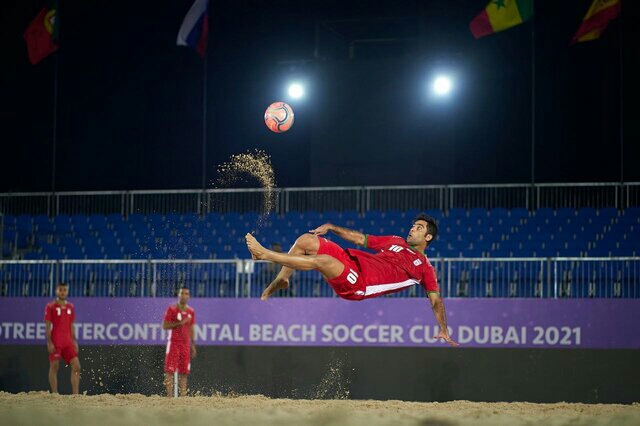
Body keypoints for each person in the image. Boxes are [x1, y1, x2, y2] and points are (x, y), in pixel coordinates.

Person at [245, 213, 458, 346]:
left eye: (419, 228)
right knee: (307, 240)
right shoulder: (396, 241)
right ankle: (282, 279)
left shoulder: (425, 268)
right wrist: (332, 227)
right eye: (413, 225)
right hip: (350, 261)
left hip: (359, 285)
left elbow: (435, 301)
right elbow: (359, 238)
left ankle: (265, 255)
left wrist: (443, 328)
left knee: (324, 261)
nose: (412, 228)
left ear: (428, 237)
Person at [44, 282, 81, 394]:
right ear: (56, 291)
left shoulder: (70, 307)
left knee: (76, 366)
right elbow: (47, 326)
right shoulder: (50, 306)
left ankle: (76, 395)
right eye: (60, 290)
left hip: (68, 342)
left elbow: (71, 325)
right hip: (56, 341)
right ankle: (55, 394)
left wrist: (74, 341)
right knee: (54, 366)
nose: (63, 292)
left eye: (65, 290)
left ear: (67, 291)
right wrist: (49, 342)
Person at [162, 286, 197, 397]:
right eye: (182, 293)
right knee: (169, 371)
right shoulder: (171, 309)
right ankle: (169, 396)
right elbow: (164, 325)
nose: (184, 295)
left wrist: (193, 345)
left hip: (185, 345)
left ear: (189, 296)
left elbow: (191, 328)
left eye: (186, 293)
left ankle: (183, 397)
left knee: (184, 372)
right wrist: (179, 323)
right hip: (173, 343)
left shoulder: (191, 311)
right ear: (179, 295)